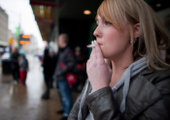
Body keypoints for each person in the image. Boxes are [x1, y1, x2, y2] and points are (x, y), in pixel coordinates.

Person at [68, 0, 170, 120]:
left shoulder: (160, 85)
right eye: (98, 22)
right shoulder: (98, 72)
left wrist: (100, 88)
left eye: (107, 22)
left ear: (137, 30)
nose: (96, 32)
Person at [54, 33, 75, 120]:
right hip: (60, 77)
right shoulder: (63, 50)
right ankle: (65, 109)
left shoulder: (68, 51)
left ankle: (67, 114)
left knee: (67, 96)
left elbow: (71, 63)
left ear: (63, 41)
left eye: (59, 40)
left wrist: (61, 71)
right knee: (63, 96)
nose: (58, 41)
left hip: (64, 78)